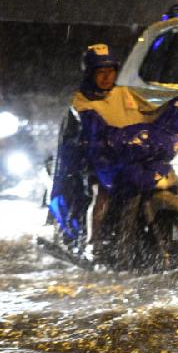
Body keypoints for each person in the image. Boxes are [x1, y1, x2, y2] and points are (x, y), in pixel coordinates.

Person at [49, 43, 159, 256]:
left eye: (110, 72)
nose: (107, 77)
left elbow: (150, 112)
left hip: (125, 157)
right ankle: (94, 243)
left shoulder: (124, 94)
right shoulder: (81, 102)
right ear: (90, 74)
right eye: (101, 72)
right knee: (103, 194)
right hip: (95, 163)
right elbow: (78, 138)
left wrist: (168, 114)